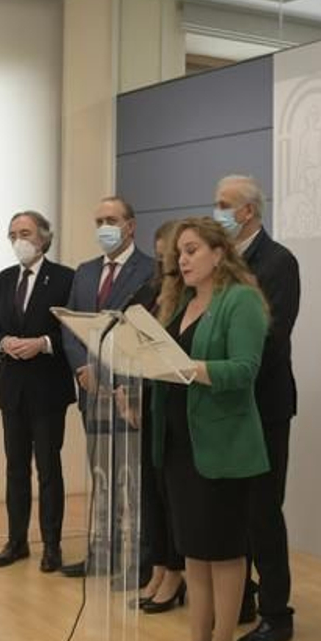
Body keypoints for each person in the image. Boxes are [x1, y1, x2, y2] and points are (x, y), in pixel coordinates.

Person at [153, 217, 270, 641]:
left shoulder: (239, 300)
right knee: (193, 554)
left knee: (222, 552)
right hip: (180, 444)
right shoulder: (179, 300)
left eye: (193, 250)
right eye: (179, 252)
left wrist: (189, 368)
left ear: (220, 254)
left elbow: (244, 369)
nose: (182, 259)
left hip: (222, 445)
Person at [212, 174, 302, 641]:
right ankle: (238, 599)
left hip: (262, 403)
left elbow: (271, 332)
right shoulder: (219, 262)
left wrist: (222, 366)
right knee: (231, 509)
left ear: (247, 211)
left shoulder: (279, 261)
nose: (217, 212)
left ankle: (276, 612)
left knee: (264, 510)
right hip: (223, 402)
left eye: (223, 205)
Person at [59, 196, 154, 579]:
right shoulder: (83, 272)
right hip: (90, 391)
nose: (104, 227)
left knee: (134, 480)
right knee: (101, 476)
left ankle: (140, 559)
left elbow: (146, 333)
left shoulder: (152, 270)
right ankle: (101, 553)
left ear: (131, 226)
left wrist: (111, 376)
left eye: (111, 219)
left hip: (128, 392)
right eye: (98, 220)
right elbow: (70, 327)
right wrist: (84, 367)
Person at [0, 211, 76, 572]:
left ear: (44, 238)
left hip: (49, 389)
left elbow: (73, 329)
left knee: (49, 470)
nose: (19, 240)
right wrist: (3, 341)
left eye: (25, 233)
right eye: (13, 234)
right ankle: (16, 541)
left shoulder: (65, 278)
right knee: (15, 469)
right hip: (13, 389)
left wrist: (45, 343)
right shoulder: (1, 280)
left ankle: (52, 546)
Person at [133, 221, 187, 613]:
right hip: (146, 402)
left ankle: (175, 571)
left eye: (169, 251)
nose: (164, 259)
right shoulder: (149, 291)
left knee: (172, 496)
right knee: (151, 494)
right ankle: (158, 566)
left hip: (177, 408)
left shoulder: (189, 297)